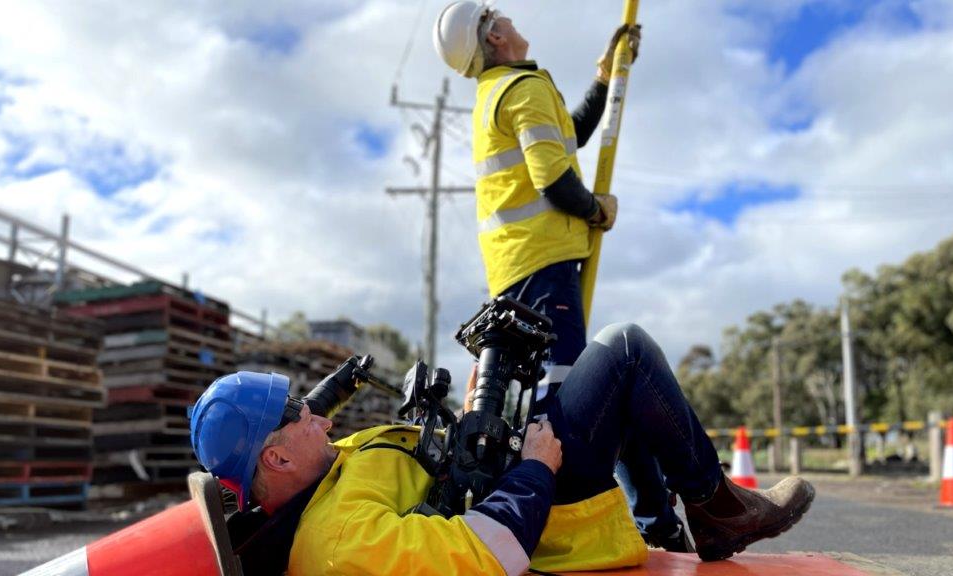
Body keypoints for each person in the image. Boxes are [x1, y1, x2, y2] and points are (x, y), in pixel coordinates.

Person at [190, 323, 815, 576]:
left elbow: (418, 469)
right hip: (538, 523)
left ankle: (675, 526)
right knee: (623, 352)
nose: (317, 418)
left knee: (590, 390)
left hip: (505, 484)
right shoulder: (338, 539)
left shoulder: (327, 471)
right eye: (298, 412)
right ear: (274, 458)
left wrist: (470, 416)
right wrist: (537, 466)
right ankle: (715, 508)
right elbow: (487, 552)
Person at [432, 2, 691, 551]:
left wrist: (605, 77)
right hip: (541, 265)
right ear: (495, 36)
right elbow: (553, 180)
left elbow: (568, 134)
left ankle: (660, 526)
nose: (507, 17)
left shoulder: (502, 91)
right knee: (578, 400)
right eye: (496, 15)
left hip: (521, 269)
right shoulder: (518, 90)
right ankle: (583, 527)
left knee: (588, 392)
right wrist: (597, 209)